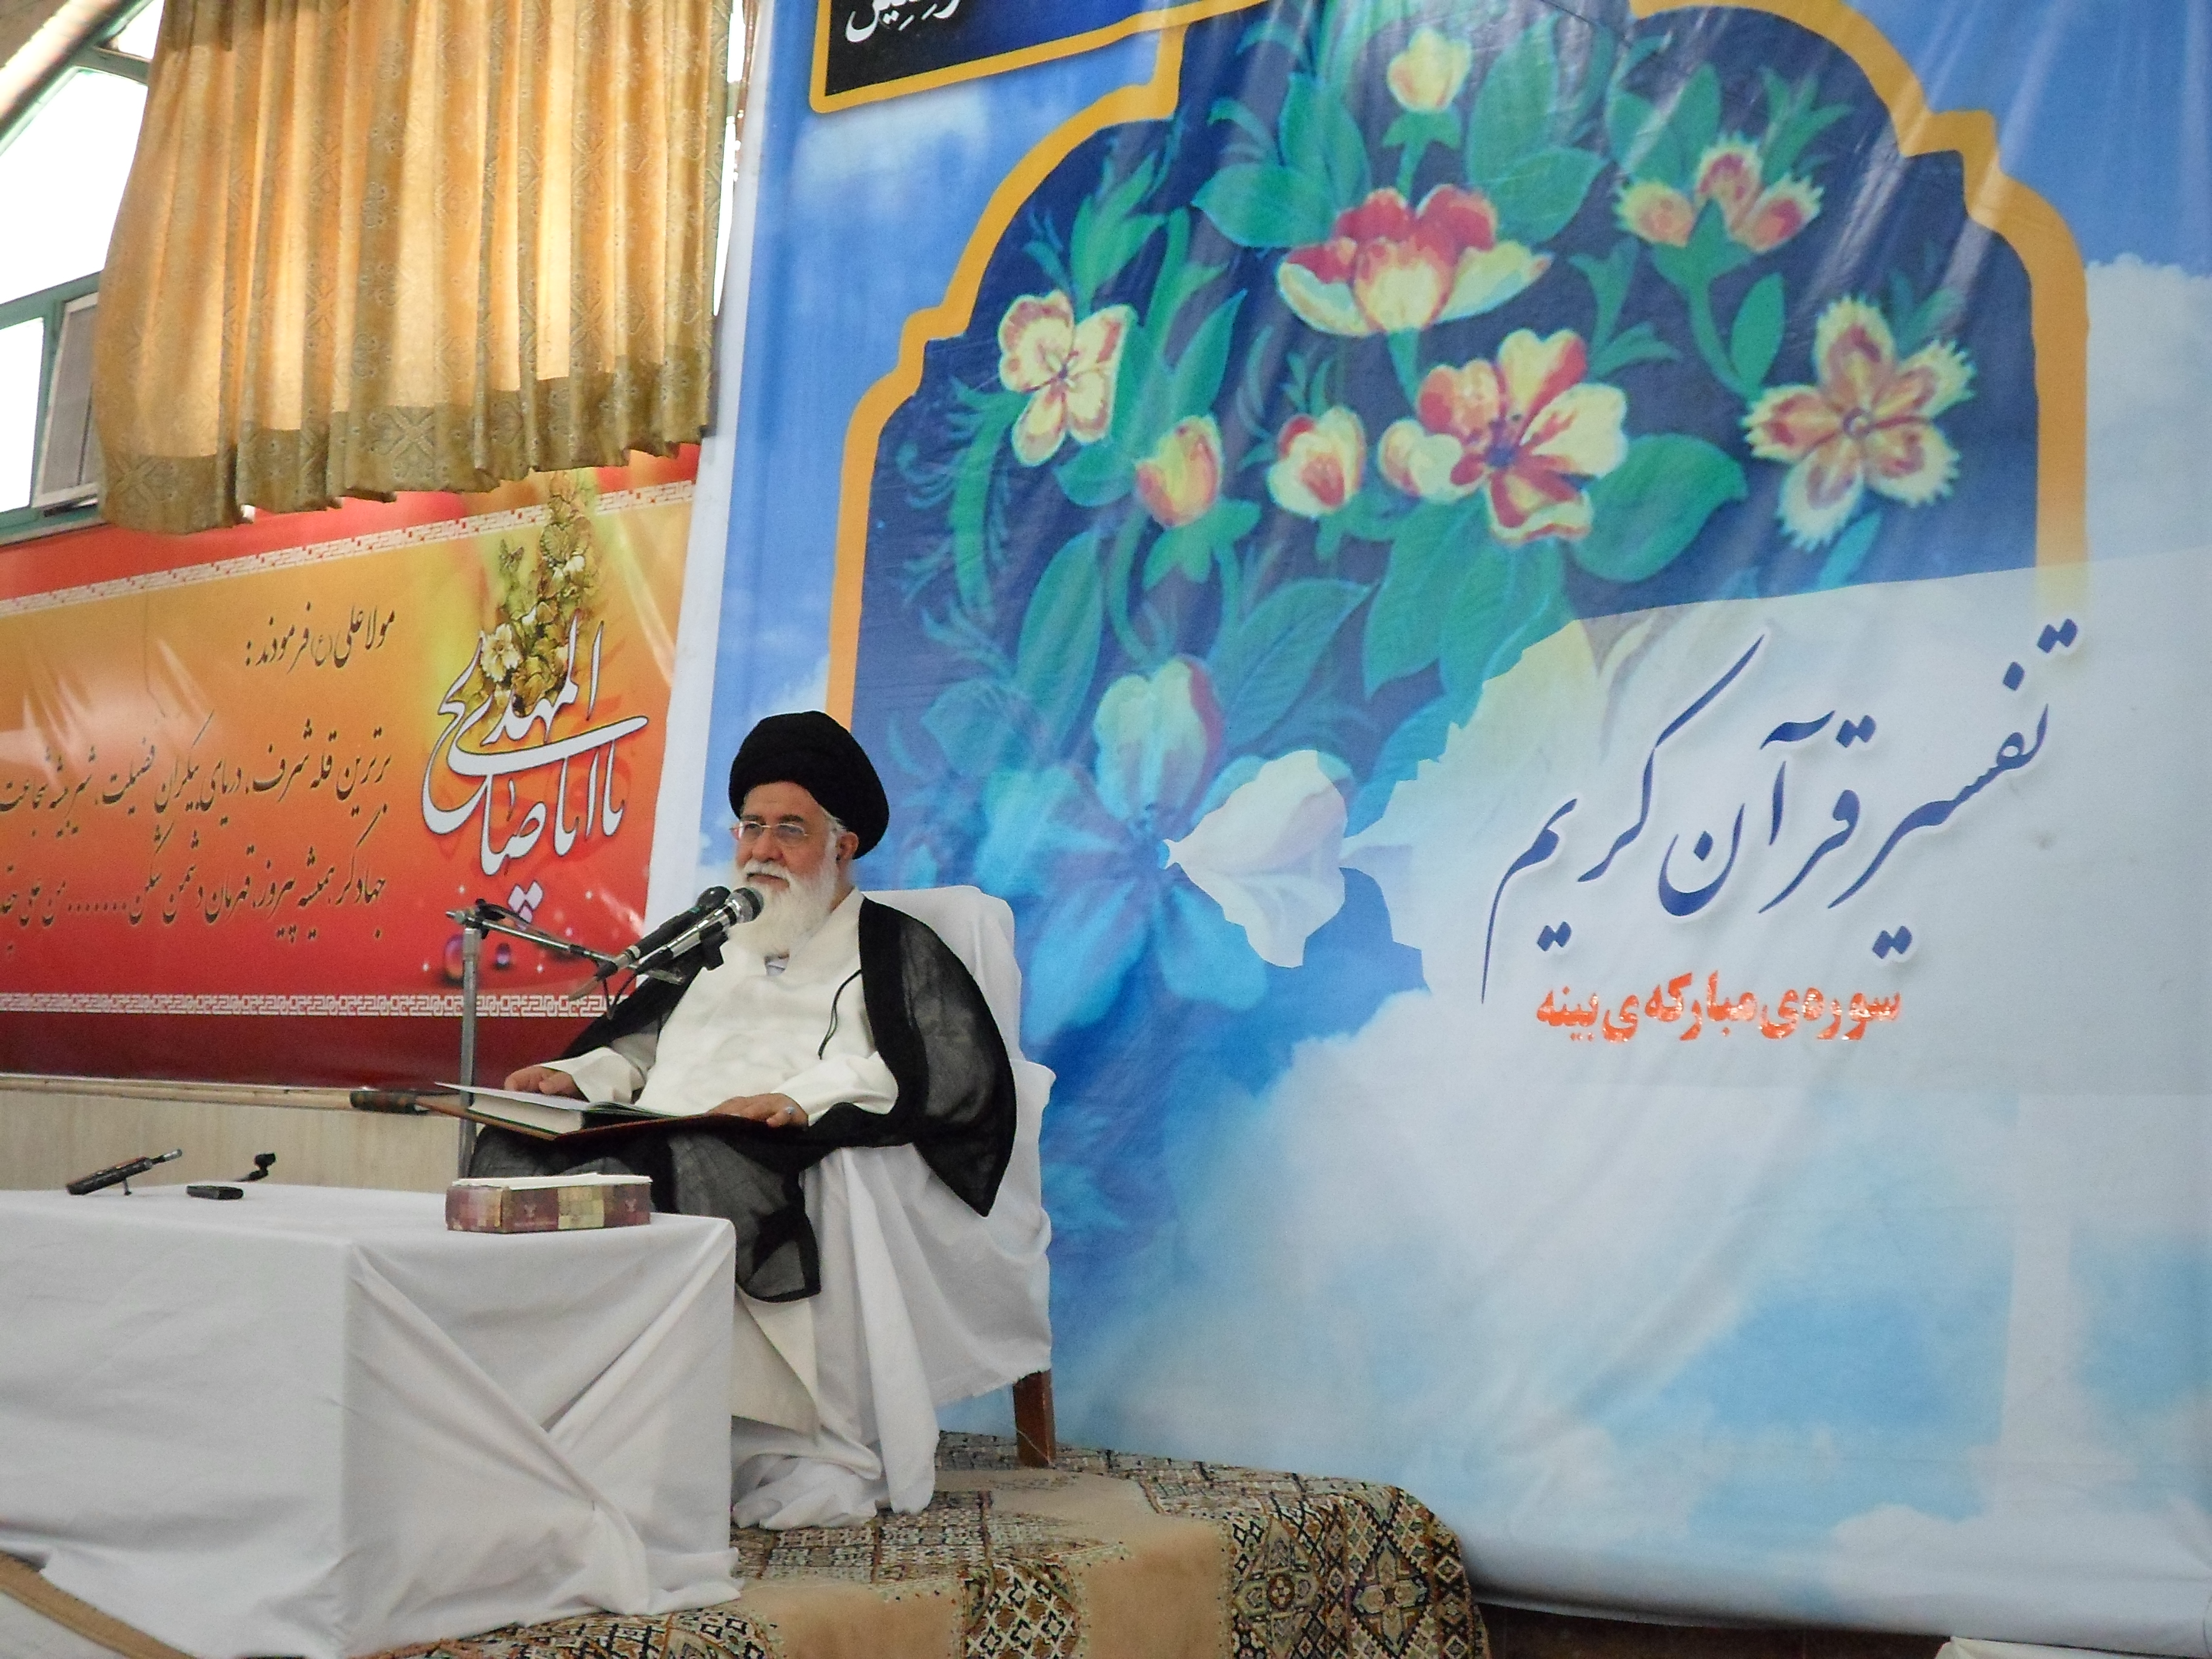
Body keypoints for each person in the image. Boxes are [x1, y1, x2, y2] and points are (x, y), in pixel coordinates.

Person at [470, 711, 1021, 1527]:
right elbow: (644, 1047)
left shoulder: (890, 945)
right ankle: (571, 1422)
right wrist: (577, 1075)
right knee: (513, 1150)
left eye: (790, 830)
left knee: (700, 1166)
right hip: (659, 1128)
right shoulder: (715, 940)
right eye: (751, 827)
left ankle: (767, 1438)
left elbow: (930, 1067)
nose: (763, 849)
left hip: (762, 1143)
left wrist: (800, 1099)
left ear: (843, 845)